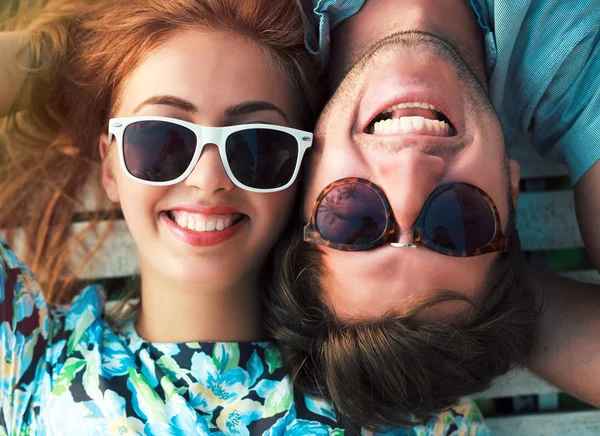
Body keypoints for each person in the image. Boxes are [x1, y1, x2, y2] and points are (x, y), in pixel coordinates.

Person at [0, 0, 493, 434]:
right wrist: (55, 60)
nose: (209, 178)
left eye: (258, 147)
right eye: (161, 139)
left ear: (303, 175)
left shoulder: (399, 406)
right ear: (110, 165)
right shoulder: (26, 359)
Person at [301, 0, 600, 419]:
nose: (411, 167)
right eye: (459, 219)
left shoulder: (253, 22)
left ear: (303, 179)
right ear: (510, 195)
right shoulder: (572, 66)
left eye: (354, 218)